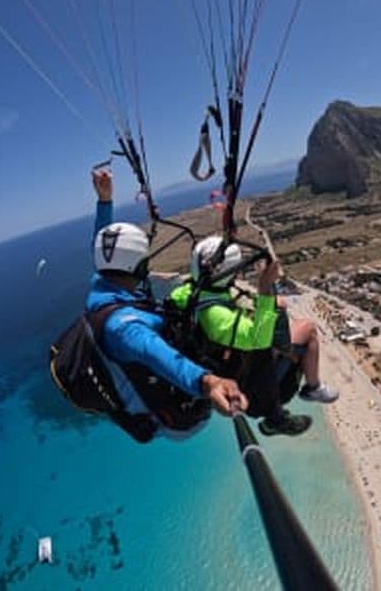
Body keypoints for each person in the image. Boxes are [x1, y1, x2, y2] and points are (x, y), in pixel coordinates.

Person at [84, 169, 247, 439]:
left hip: (157, 396)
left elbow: (101, 248)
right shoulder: (126, 329)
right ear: (136, 265)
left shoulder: (102, 283)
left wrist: (104, 201)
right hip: (178, 420)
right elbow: (159, 355)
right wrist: (210, 383)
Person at [168, 235, 338, 437]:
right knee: (308, 329)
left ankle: (278, 414)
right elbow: (259, 340)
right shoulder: (215, 316)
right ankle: (312, 388)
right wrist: (265, 288)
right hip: (249, 382)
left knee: (289, 321)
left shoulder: (189, 294)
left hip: (231, 364)